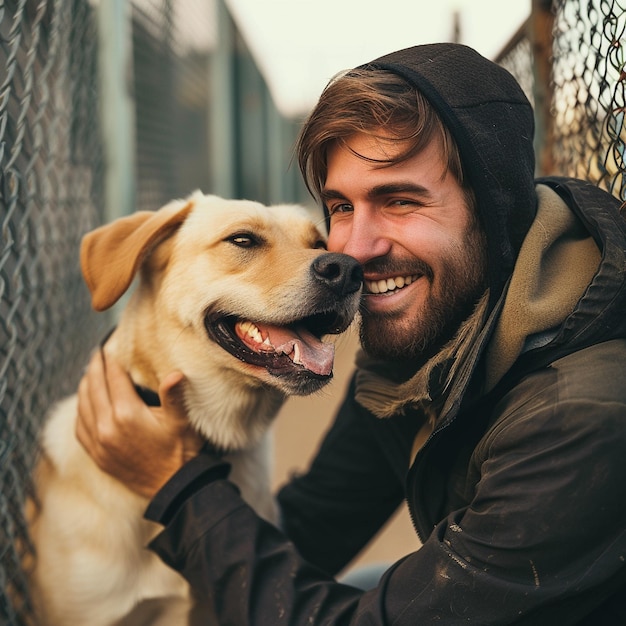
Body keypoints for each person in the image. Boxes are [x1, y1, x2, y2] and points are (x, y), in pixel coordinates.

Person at [76, 43, 626, 624]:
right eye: (340, 207)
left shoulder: (582, 416)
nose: (355, 252)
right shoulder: (425, 339)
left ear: (494, 208)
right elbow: (315, 524)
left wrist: (181, 486)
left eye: (400, 201)